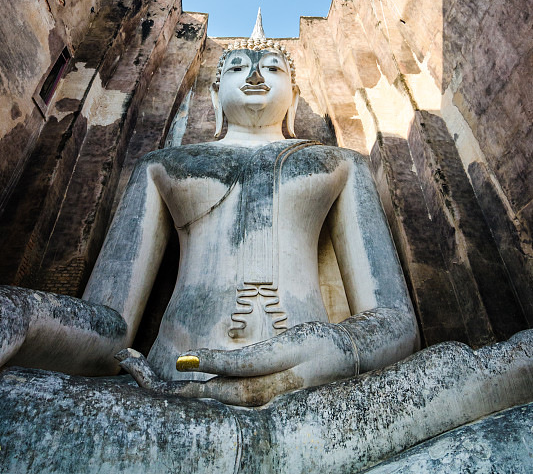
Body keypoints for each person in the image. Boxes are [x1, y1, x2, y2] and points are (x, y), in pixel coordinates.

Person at [0, 21, 419, 406]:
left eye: (273, 69)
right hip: (175, 398)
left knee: (463, 368)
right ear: (215, 94)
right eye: (238, 69)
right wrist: (26, 315)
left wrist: (342, 347)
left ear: (293, 97)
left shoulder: (338, 164)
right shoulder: (164, 166)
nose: (255, 77)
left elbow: (396, 322)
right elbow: (112, 330)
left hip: (314, 401)